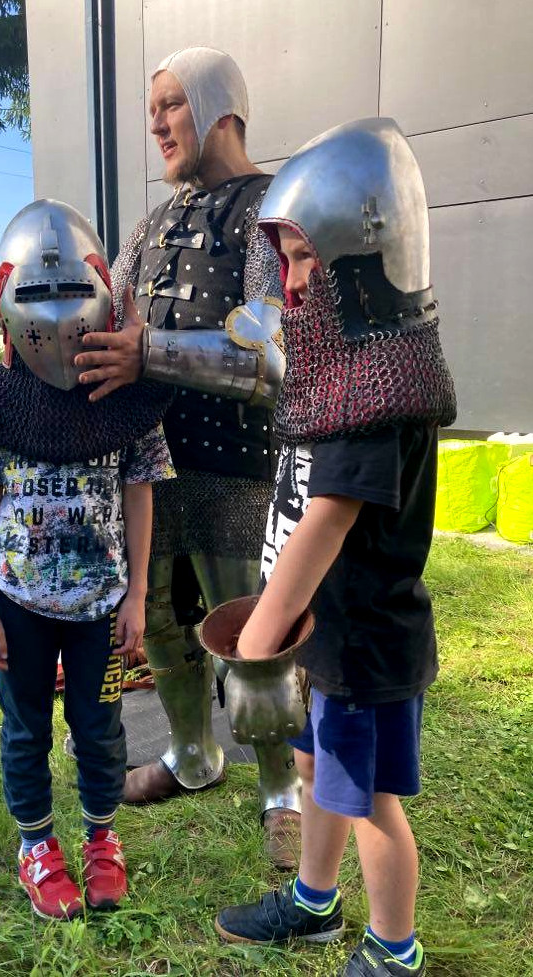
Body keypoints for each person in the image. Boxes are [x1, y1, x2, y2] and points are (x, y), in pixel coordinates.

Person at [214, 118, 457, 977]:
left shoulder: (380, 388)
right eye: (284, 260)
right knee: (317, 768)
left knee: (370, 803)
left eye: (306, 259)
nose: (291, 282)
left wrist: (257, 635)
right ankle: (314, 904)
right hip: (328, 633)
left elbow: (326, 517)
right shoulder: (337, 371)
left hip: (366, 644)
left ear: (365, 258)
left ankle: (394, 950)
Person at [74, 46, 301, 867]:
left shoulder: (270, 210)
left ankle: (281, 788)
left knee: (251, 634)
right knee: (163, 625)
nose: (157, 124)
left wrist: (150, 354)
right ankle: (192, 754)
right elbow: (106, 315)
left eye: (171, 104)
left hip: (234, 465)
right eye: (153, 110)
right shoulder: (151, 225)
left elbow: (271, 358)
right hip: (150, 465)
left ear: (217, 108)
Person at [0, 199, 174, 920]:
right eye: (37, 293)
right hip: (17, 603)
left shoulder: (124, 401)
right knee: (25, 729)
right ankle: (37, 846)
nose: (53, 313)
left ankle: (101, 837)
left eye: (70, 289)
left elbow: (139, 496)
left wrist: (137, 595)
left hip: (101, 607)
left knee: (99, 726)